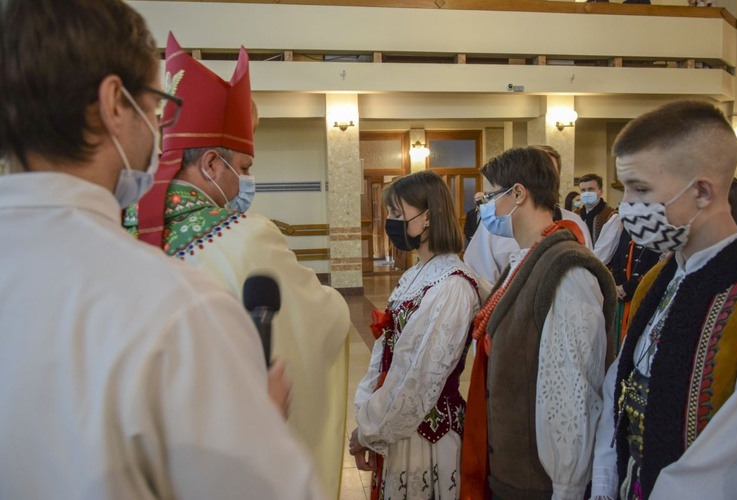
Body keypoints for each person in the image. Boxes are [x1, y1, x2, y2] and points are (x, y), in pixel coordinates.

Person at [0, 1, 322, 498]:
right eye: (153, 107)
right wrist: (257, 424)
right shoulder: (179, 312)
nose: (159, 128)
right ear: (113, 105)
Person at [123, 33, 350, 498]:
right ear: (210, 163)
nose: (247, 181)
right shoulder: (245, 237)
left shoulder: (115, 231)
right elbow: (323, 320)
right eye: (243, 167)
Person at [591, 100, 737, 499]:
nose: (626, 205)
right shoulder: (660, 277)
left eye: (641, 189)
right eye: (624, 188)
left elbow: (725, 466)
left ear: (701, 191)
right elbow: (620, 390)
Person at [461, 147, 617, 500]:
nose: (487, 208)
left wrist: (567, 486)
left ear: (518, 194)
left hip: (540, 485)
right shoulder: (528, 256)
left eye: (492, 196)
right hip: (511, 472)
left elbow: (573, 397)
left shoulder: (568, 271)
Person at [350, 170, 485, 499]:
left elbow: (418, 376)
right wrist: (366, 410)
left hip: (428, 435)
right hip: (397, 424)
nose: (391, 222)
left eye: (398, 213)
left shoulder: (452, 284)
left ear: (428, 217)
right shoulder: (416, 274)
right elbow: (386, 352)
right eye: (390, 214)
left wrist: (370, 430)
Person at [464, 144, 591, 284]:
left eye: (490, 197)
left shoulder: (569, 265)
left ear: (518, 193)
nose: (488, 205)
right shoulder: (523, 252)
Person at [608, 228, 662, 348]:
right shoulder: (628, 229)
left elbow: (654, 268)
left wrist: (629, 287)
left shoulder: (657, 232)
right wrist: (617, 284)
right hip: (620, 293)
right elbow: (618, 258)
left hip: (640, 295)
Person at [576, 173, 623, 265]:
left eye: (591, 189)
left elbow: (603, 252)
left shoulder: (611, 216)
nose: (586, 193)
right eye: (583, 190)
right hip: (574, 267)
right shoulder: (575, 215)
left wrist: (583, 266)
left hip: (598, 268)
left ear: (600, 192)